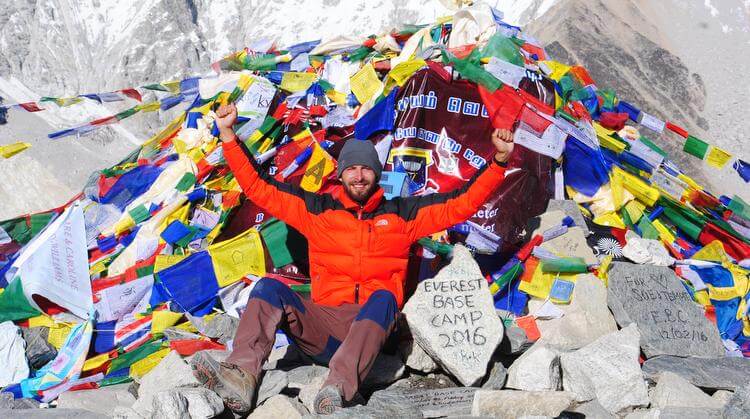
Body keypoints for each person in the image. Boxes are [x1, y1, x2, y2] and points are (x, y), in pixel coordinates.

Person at [191, 102, 514, 415]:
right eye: (351, 169)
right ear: (341, 174)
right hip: (324, 330)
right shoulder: (318, 211)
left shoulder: (404, 214)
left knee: (385, 297)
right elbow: (260, 189)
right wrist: (229, 136)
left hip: (373, 332)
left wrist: (498, 161)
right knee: (267, 288)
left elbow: (462, 202)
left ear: (376, 173)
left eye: (365, 169)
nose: (359, 176)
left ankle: (336, 390)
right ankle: (241, 377)